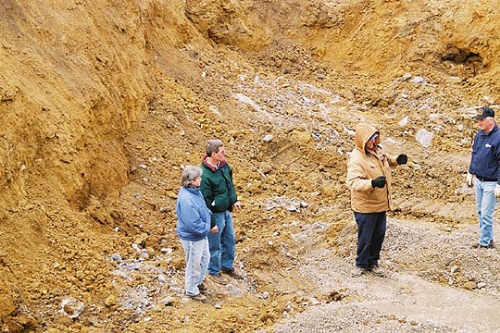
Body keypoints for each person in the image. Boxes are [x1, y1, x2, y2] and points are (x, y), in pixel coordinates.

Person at [346, 123, 408, 277]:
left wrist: (397, 160)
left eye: (374, 138)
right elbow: (353, 182)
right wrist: (372, 183)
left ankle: (373, 262)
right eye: (370, 140)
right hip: (366, 207)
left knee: (378, 235)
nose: (374, 142)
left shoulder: (376, 151)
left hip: (380, 204)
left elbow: (385, 161)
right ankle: (361, 264)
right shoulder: (356, 159)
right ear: (362, 140)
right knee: (366, 237)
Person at [200, 139, 243, 284]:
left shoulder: (224, 166)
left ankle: (227, 266)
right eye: (222, 152)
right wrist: (211, 223)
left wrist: (234, 200)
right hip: (215, 213)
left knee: (229, 239)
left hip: (226, 210)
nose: (225, 154)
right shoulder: (205, 175)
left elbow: (229, 185)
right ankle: (213, 270)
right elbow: (205, 202)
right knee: (215, 244)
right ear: (213, 154)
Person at [176, 165, 212, 301]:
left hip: (200, 234)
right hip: (193, 236)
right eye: (198, 178)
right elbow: (193, 224)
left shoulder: (194, 191)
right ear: (191, 181)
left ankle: (198, 282)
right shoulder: (187, 200)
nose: (201, 179)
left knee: (205, 258)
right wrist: (206, 226)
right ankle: (191, 290)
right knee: (194, 263)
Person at [466, 106, 500, 249]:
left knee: (486, 213)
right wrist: (470, 172)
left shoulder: (498, 137)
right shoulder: (480, 135)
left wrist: (499, 184)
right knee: (481, 211)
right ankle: (488, 239)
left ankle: (485, 242)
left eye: (482, 120)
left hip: (491, 183)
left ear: (490, 120)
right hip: (479, 180)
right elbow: (475, 154)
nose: (479, 123)